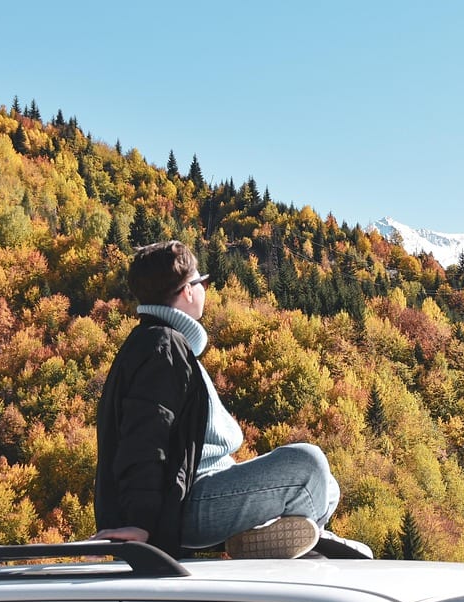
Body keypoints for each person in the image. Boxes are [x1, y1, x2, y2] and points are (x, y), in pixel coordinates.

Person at [93, 240, 369, 559]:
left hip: (203, 492)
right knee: (308, 463)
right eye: (202, 282)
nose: (205, 289)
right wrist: (140, 522)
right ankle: (311, 541)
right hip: (189, 504)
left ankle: (292, 535)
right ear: (188, 291)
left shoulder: (160, 344)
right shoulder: (162, 349)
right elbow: (144, 438)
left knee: (328, 485)